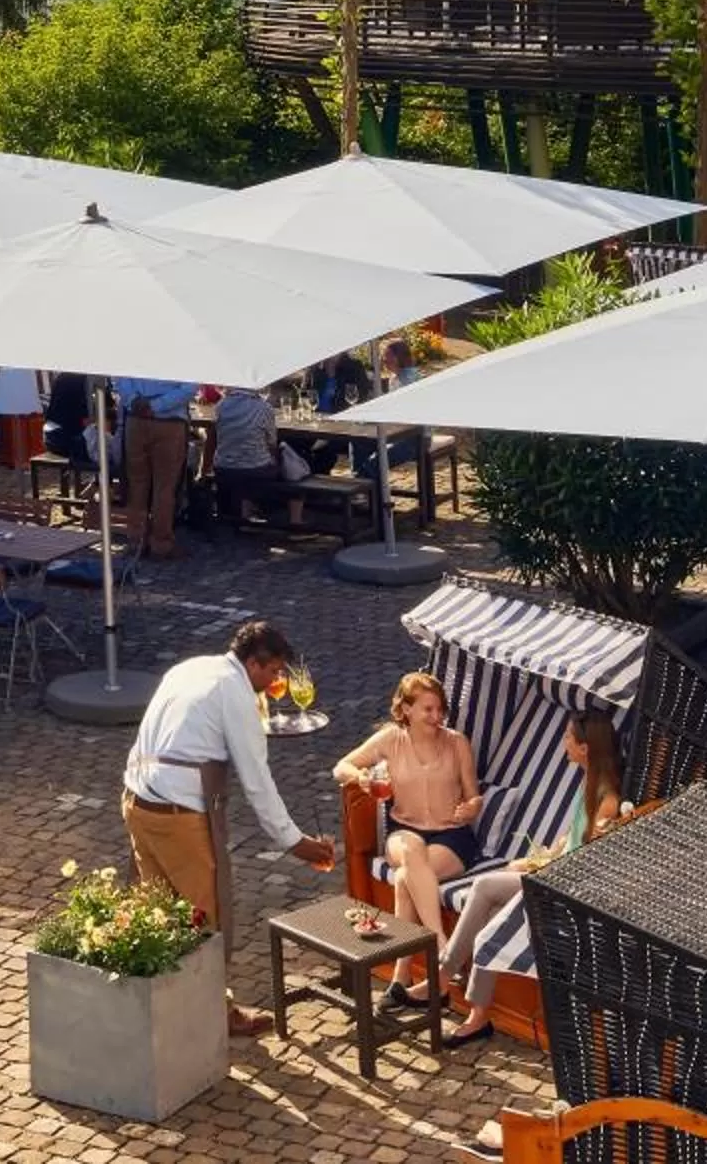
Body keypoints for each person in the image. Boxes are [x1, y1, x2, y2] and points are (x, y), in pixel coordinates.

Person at [121, 619, 337, 1036]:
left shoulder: (191, 668)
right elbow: (257, 779)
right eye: (274, 672)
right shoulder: (235, 694)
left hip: (136, 800)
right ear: (254, 664)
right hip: (177, 814)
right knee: (204, 916)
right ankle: (214, 1015)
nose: (276, 682)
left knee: (157, 908)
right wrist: (295, 842)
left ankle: (163, 1004)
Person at [433, 710, 625, 1049]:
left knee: (484, 890)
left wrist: (541, 868)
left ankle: (444, 979)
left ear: (585, 748)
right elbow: (569, 842)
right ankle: (474, 1012)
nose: (564, 742)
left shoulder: (607, 800)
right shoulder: (587, 783)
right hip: (552, 875)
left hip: (564, 892)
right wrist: (536, 859)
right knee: (489, 904)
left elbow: (588, 863)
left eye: (569, 738)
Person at [330, 671, 481, 996]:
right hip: (405, 831)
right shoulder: (390, 740)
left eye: (440, 709)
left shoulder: (457, 743)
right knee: (411, 852)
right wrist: (363, 778)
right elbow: (341, 767)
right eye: (428, 709)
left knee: (405, 878)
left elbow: (474, 796)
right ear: (407, 709)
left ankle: (401, 975)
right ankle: (441, 945)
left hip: (452, 836)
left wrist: (471, 808)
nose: (436, 716)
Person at [113, 374, 194, 556]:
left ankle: (136, 540)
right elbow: (190, 387)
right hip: (169, 422)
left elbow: (120, 377)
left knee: (137, 484)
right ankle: (161, 543)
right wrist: (157, 406)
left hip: (136, 419)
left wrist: (135, 400)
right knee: (164, 487)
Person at [208, 383, 291, 527]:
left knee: (247, 465)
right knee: (282, 466)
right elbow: (271, 442)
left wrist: (204, 469)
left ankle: (244, 507)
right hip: (256, 470)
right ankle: (269, 508)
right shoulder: (264, 408)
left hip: (224, 468)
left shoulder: (220, 406)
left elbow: (213, 439)